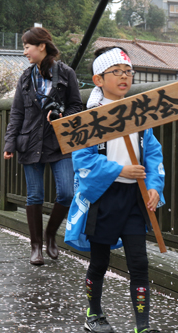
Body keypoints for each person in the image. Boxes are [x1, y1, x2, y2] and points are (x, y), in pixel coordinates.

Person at [64, 47, 164, 333]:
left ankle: (142, 325)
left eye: (128, 72)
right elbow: (82, 161)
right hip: (104, 198)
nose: (124, 77)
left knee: (139, 262)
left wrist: (154, 186)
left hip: (134, 198)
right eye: (116, 72)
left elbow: (153, 155)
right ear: (98, 79)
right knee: (99, 261)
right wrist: (120, 170)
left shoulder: (139, 114)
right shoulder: (90, 119)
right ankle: (93, 314)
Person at [3, 27, 83, 265]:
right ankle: (36, 246)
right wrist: (10, 143)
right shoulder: (26, 77)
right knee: (35, 195)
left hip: (59, 142)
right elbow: (16, 112)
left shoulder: (66, 73)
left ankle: (50, 234)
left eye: (27, 46)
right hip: (29, 142)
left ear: (41, 46)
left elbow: (77, 106)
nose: (24, 51)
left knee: (67, 192)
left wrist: (60, 114)